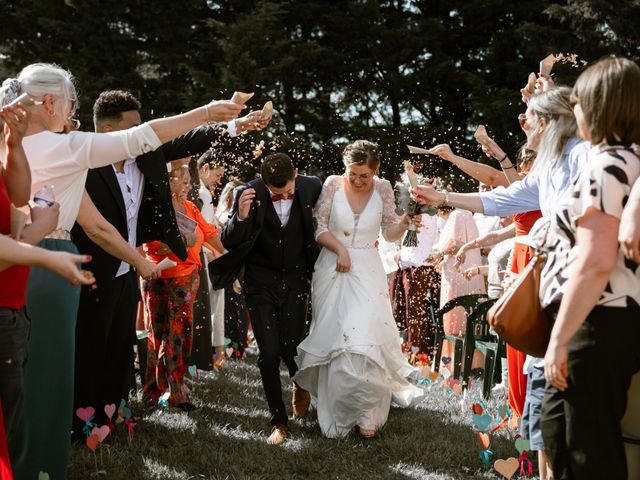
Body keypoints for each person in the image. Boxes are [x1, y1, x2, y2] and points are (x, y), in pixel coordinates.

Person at [0, 62, 242, 479]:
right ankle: (37, 468)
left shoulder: (11, 145)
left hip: (13, 263)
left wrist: (139, 263)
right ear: (52, 102)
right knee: (47, 377)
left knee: (19, 378)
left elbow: (96, 224)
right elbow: (141, 138)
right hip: (53, 264)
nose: (72, 113)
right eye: (71, 103)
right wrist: (205, 113)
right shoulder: (66, 146)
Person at [538, 57, 640, 479]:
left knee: (586, 451)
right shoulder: (631, 161)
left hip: (594, 323)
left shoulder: (605, 165)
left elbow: (596, 261)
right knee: (563, 431)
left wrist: (559, 339)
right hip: (609, 322)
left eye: (578, 102)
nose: (573, 111)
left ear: (598, 106)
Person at [293, 140, 424, 439]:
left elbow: (389, 234)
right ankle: (338, 415)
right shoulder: (332, 184)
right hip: (333, 269)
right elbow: (320, 228)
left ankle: (368, 414)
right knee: (338, 341)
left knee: (365, 339)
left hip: (367, 271)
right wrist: (340, 249)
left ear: (375, 171)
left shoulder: (384, 188)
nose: (358, 180)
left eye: (364, 175)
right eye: (353, 173)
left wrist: (404, 221)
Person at [216, 153, 322, 445]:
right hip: (259, 282)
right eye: (277, 193)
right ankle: (279, 421)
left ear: (297, 173)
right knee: (268, 353)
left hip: (297, 279)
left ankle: (300, 384)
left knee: (293, 349)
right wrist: (241, 216)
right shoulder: (246, 192)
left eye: (288, 189)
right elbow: (229, 240)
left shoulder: (313, 185)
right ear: (263, 181)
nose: (285, 195)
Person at [141, 162, 222, 410]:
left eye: (189, 182)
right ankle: (153, 390)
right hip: (158, 276)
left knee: (180, 334)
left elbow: (209, 235)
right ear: (169, 181)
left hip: (187, 277)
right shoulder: (155, 207)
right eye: (184, 182)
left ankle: (176, 391)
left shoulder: (189, 208)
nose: (188, 187)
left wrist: (228, 254)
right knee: (157, 333)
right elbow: (149, 245)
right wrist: (180, 243)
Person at [390, 210, 441, 354]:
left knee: (417, 316)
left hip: (420, 268)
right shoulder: (411, 214)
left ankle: (418, 355)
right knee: (400, 313)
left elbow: (434, 240)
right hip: (405, 267)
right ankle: (404, 350)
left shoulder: (431, 215)